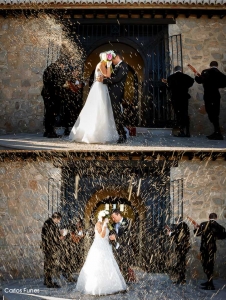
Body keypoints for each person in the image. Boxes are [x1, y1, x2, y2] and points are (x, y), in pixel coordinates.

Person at [69, 51, 118, 144]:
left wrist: (108, 66)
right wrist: (108, 65)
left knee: (102, 109)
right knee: (98, 108)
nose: (110, 60)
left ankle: (101, 132)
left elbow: (106, 77)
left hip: (102, 87)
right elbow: (108, 75)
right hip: (99, 88)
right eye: (109, 59)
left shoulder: (103, 64)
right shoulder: (101, 64)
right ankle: (93, 134)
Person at [75, 210, 127, 295]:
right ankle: (98, 287)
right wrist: (105, 225)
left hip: (106, 246)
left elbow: (109, 234)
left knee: (109, 265)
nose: (110, 219)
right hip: (99, 247)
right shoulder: (98, 224)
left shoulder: (107, 225)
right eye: (108, 218)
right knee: (98, 265)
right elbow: (102, 235)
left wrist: (111, 235)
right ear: (104, 218)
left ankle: (112, 285)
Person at [99, 50, 129, 144]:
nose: (111, 61)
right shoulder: (116, 66)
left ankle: (122, 135)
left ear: (117, 57)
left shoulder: (124, 65)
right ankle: (120, 133)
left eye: (112, 59)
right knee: (114, 114)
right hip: (112, 93)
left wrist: (103, 81)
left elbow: (117, 78)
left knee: (117, 114)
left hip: (116, 93)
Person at [194, 213, 226, 290]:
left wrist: (195, 228)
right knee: (210, 265)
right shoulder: (219, 227)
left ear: (209, 218)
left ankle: (210, 284)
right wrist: (215, 237)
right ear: (216, 218)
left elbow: (197, 233)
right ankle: (209, 281)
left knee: (205, 265)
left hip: (204, 248)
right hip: (212, 248)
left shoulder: (203, 224)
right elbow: (223, 236)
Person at [195, 61, 226, 140]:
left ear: (210, 65)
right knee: (216, 113)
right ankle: (217, 132)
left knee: (211, 113)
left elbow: (199, 80)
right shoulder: (221, 74)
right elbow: (223, 84)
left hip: (208, 95)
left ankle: (217, 132)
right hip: (216, 95)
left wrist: (196, 76)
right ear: (217, 66)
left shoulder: (206, 72)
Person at [163, 66, 194, 137]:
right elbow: (191, 82)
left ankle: (181, 131)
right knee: (185, 114)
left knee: (178, 114)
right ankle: (188, 132)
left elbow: (169, 88)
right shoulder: (186, 77)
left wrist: (166, 83)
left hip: (176, 98)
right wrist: (185, 87)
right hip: (184, 98)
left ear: (174, 70)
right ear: (181, 70)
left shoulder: (170, 77)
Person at [110, 209, 136, 283]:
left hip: (125, 249)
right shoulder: (113, 225)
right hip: (116, 249)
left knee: (125, 268)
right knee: (116, 267)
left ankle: (125, 284)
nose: (113, 219)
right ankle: (118, 283)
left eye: (114, 217)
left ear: (118, 214)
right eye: (112, 218)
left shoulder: (127, 222)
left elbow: (126, 236)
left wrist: (116, 237)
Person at [41, 212, 63, 288]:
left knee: (48, 264)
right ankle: (48, 282)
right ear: (56, 218)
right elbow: (50, 236)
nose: (59, 221)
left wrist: (59, 234)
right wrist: (59, 236)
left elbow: (53, 234)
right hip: (49, 247)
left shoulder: (50, 223)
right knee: (49, 265)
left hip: (50, 247)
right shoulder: (49, 223)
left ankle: (47, 280)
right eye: (59, 219)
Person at [166, 216, 190, 285]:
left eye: (176, 221)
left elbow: (177, 234)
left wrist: (170, 233)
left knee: (180, 263)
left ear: (177, 221)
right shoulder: (185, 225)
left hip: (181, 247)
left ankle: (181, 279)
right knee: (181, 263)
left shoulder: (180, 225)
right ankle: (182, 279)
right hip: (184, 247)